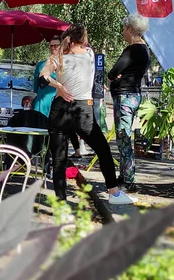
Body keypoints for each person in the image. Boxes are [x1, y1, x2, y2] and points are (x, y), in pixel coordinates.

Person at [40, 24, 136, 204]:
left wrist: (58, 86)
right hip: (82, 110)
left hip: (60, 108)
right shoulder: (90, 54)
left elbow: (43, 77)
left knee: (59, 157)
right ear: (84, 39)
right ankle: (114, 192)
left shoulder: (58, 57)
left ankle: (61, 203)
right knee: (102, 149)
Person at [107, 13, 151, 192]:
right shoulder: (145, 50)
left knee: (124, 137)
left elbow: (113, 72)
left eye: (124, 29)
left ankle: (128, 179)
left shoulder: (132, 50)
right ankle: (125, 175)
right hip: (133, 95)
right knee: (124, 136)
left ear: (131, 29)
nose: (123, 33)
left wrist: (115, 77)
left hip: (124, 97)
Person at [33, 36, 82, 158]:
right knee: (42, 134)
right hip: (43, 103)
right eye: (51, 45)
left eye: (56, 45)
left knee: (60, 135)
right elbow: (36, 86)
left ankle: (60, 159)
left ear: (62, 46)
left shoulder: (67, 63)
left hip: (59, 103)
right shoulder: (41, 65)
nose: (54, 48)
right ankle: (44, 159)